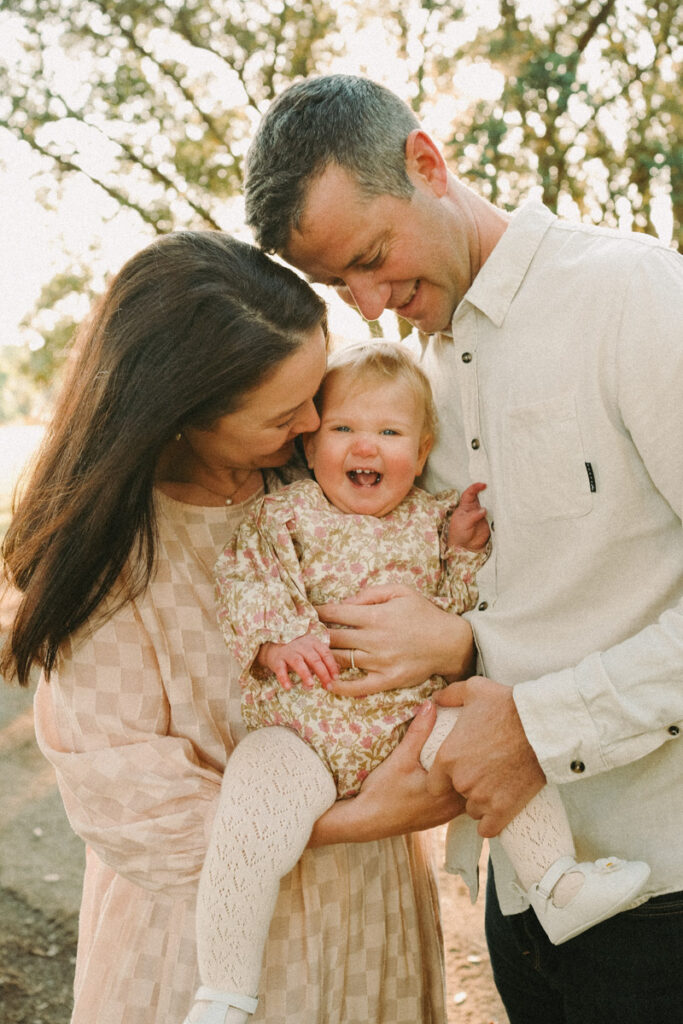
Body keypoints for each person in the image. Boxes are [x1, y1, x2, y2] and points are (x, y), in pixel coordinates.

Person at [243, 74, 683, 1024]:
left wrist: (540, 723)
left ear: (426, 163)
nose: (368, 302)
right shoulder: (409, 385)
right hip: (517, 890)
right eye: (338, 285)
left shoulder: (632, 295)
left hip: (666, 880)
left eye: (372, 255)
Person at [0, 230, 470, 1024]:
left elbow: (457, 584)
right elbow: (134, 804)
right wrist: (366, 817)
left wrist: (451, 642)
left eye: (316, 391)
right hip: (201, 946)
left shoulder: (325, 487)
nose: (319, 421)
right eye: (286, 414)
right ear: (182, 415)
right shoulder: (116, 558)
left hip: (368, 914)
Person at [186, 338, 650, 1024]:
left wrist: (463, 553)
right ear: (311, 447)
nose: (363, 447)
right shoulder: (283, 516)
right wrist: (278, 640)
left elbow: (459, 608)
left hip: (416, 723)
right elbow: (246, 580)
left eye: (388, 432)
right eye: (343, 428)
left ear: (422, 447)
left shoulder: (431, 520)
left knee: (498, 738)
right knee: (251, 805)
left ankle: (554, 879)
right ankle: (224, 989)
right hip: (305, 729)